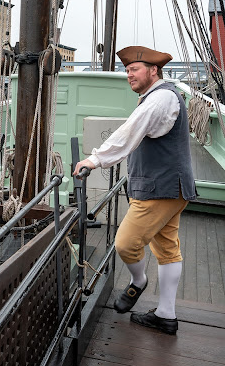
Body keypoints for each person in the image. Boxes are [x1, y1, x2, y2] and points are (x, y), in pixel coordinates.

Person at [74, 46, 196, 335]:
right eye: (127, 70)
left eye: (134, 69)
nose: (128, 74)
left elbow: (129, 132)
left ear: (153, 70)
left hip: (159, 190)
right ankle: (166, 315)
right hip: (169, 187)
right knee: (167, 249)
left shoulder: (161, 98)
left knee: (126, 243)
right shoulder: (158, 97)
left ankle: (138, 282)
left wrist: (93, 159)